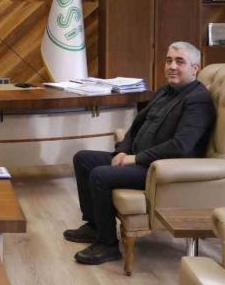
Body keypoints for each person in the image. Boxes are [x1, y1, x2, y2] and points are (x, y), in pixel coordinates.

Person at [65, 41, 215, 265]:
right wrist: (122, 150)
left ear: (195, 68)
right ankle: (94, 226)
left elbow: (180, 146)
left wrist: (133, 158)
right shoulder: (164, 91)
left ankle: (107, 245)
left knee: (100, 175)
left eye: (180, 62)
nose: (172, 66)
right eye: (169, 61)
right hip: (137, 158)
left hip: (160, 169)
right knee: (83, 159)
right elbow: (136, 126)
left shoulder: (198, 100)